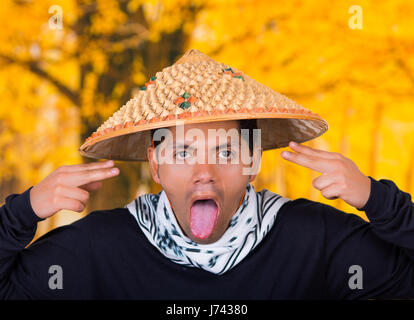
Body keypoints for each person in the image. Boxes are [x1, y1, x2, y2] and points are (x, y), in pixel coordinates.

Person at [1, 49, 413, 299]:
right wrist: (24, 211)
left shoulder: (313, 239)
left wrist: (377, 199)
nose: (204, 172)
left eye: (225, 151)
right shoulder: (101, 246)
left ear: (252, 162)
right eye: (182, 152)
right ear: (156, 165)